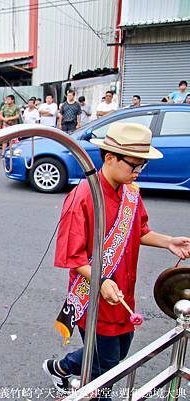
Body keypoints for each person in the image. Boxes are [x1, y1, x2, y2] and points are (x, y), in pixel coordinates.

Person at [43, 123, 190, 400]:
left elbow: (140, 231)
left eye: (141, 166)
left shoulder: (131, 193)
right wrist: (100, 281)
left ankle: (59, 367)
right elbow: (71, 258)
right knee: (107, 367)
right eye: (134, 165)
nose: (138, 172)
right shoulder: (83, 197)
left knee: (116, 353)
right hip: (96, 298)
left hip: (122, 293)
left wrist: (168, 241)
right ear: (110, 157)